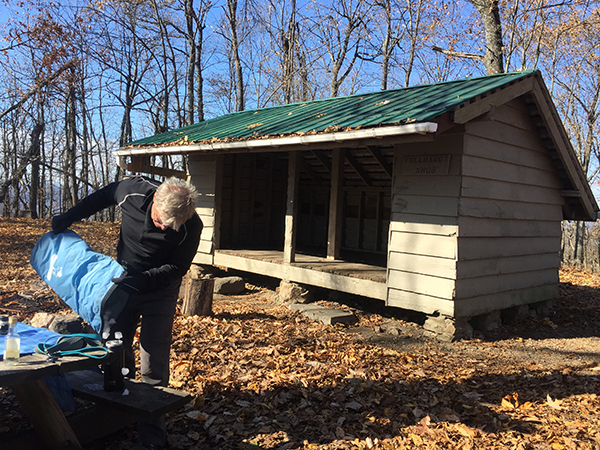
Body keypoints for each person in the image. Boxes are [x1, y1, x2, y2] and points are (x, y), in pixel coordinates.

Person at [52, 175, 203, 450]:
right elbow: (100, 198)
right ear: (155, 201)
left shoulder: (192, 224)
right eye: (161, 222)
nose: (165, 229)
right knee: (115, 350)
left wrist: (144, 281)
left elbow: (177, 267)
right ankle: (115, 418)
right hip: (122, 282)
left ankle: (151, 439)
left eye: (172, 227)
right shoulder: (132, 191)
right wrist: (70, 216)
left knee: (154, 362)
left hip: (161, 291)